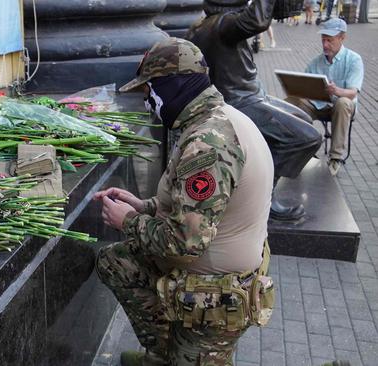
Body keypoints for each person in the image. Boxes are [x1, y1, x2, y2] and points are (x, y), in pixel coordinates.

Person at [97, 37, 275, 366]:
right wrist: (144, 206)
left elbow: (183, 244)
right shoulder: (213, 119)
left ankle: (186, 353)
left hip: (216, 297)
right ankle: (165, 353)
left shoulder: (209, 143)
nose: (147, 101)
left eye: (149, 91)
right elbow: (198, 208)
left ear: (172, 87)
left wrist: (127, 221)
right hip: (208, 274)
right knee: (117, 262)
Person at [186, 0, 323, 221]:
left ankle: (265, 166)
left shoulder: (203, 25)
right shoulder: (223, 24)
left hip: (249, 96)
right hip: (240, 102)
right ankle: (263, 199)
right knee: (307, 138)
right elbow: (256, 21)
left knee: (304, 117)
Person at [286, 18, 363, 176]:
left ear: (342, 38)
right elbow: (304, 82)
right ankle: (301, 149)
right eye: (323, 40)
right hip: (320, 105)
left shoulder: (354, 59)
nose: (325, 45)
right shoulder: (316, 62)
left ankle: (335, 157)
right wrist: (295, 88)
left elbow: (353, 92)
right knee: (292, 102)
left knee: (343, 103)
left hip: (341, 107)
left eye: (330, 40)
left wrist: (337, 91)